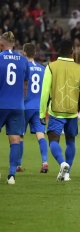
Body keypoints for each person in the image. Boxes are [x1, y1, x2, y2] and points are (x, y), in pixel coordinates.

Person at [40, 39, 80, 182]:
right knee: (70, 141)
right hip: (72, 112)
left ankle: (62, 163)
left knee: (53, 140)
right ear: (72, 52)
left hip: (56, 111)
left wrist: (41, 113)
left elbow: (44, 92)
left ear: (58, 51)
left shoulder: (51, 67)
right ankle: (67, 173)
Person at [0, 31, 30, 184]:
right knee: (15, 140)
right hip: (18, 106)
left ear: (1, 44)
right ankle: (11, 175)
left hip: (1, 104)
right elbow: (25, 84)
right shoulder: (23, 61)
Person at [18, 43, 48, 173]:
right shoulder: (42, 69)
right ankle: (45, 162)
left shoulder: (22, 67)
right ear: (35, 53)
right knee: (40, 135)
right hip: (39, 107)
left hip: (24, 106)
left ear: (24, 53)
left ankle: (18, 164)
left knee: (19, 136)